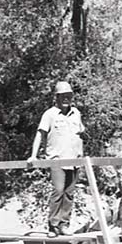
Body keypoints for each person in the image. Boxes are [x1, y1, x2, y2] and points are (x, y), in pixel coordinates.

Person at [29, 80, 86, 235]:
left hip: (74, 160)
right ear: (57, 97)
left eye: (69, 95)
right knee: (58, 190)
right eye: (63, 96)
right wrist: (33, 155)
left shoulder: (76, 113)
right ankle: (53, 226)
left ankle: (64, 224)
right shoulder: (50, 114)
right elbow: (40, 135)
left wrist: (81, 154)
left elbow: (80, 134)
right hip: (57, 159)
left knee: (69, 193)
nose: (66, 98)